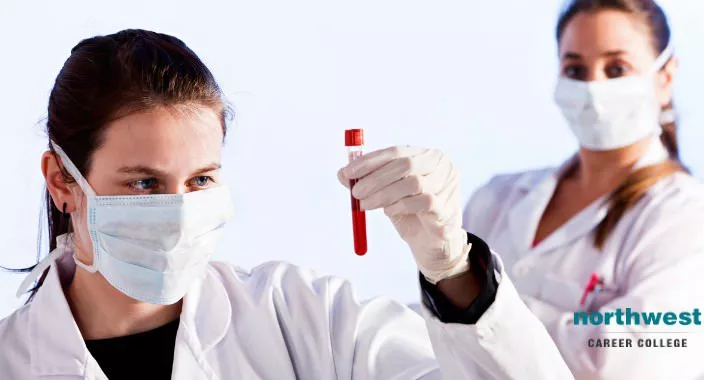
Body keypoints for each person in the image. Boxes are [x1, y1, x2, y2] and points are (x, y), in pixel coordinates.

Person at [0, 29, 574, 379]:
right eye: (144, 184)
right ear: (62, 182)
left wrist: (454, 275)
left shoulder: (305, 320)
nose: (177, 213)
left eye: (200, 180)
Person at [463, 0, 704, 379]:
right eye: (575, 69)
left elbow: (626, 363)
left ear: (665, 77)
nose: (592, 87)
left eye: (616, 68)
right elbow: (430, 333)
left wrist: (473, 314)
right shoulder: (497, 199)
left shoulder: (687, 218)